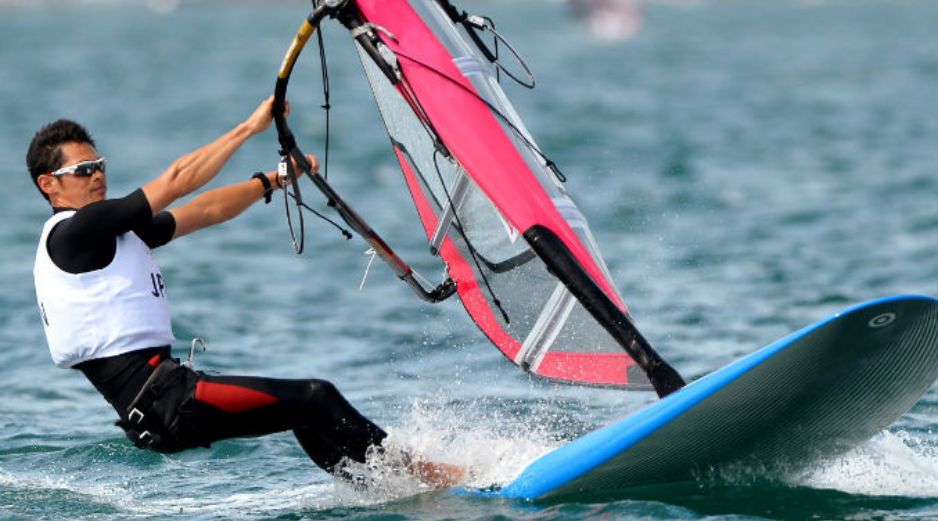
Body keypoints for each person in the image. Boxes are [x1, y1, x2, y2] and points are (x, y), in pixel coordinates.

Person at [27, 96, 461, 488]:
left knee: (304, 412)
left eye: (99, 164)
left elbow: (204, 211)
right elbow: (178, 179)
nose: (97, 175)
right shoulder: (75, 233)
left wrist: (273, 180)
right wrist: (249, 128)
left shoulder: (106, 237)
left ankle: (382, 489)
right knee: (316, 396)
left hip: (162, 402)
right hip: (167, 401)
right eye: (82, 171)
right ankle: (430, 477)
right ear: (49, 184)